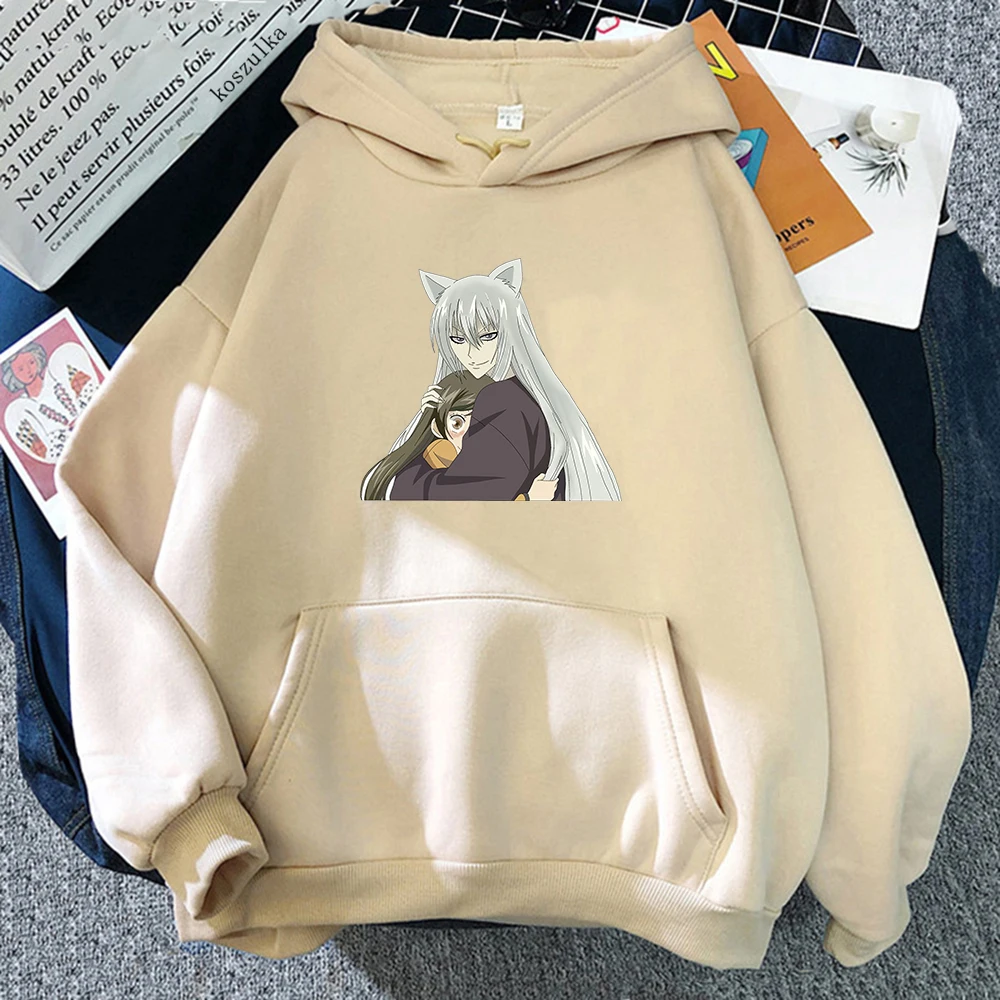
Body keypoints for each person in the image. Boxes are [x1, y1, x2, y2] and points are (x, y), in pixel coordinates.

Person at [369, 258, 620, 501]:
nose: (471, 353)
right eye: (458, 339)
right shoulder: (523, 396)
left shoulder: (504, 400)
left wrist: (404, 473)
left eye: (488, 336)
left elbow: (467, 493)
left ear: (512, 329)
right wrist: (428, 419)